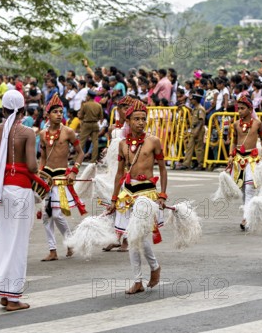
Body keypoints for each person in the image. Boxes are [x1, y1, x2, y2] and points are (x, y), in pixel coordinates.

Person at [0, 90, 38, 311]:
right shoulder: (28, 133)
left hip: (0, 192)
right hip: (21, 190)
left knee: (4, 239)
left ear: (2, 110)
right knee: (18, 242)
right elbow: (32, 166)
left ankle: (3, 292)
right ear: (23, 110)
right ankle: (12, 298)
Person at [107, 101, 167, 295]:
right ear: (128, 120)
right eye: (137, 119)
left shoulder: (154, 141)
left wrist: (162, 195)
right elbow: (118, 174)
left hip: (147, 195)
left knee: (140, 237)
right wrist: (114, 199)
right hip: (128, 194)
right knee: (131, 237)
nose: (141, 123)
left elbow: (163, 170)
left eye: (143, 119)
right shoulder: (122, 145)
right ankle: (138, 280)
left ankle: (154, 268)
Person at [38, 94, 86, 262]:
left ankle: (69, 241)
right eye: (55, 112)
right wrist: (39, 174)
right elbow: (42, 157)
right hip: (47, 178)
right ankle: (52, 250)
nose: (59, 114)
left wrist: (74, 171)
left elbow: (81, 153)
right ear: (48, 114)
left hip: (61, 178)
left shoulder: (69, 132)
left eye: (61, 111)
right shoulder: (43, 134)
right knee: (46, 215)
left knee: (57, 214)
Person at [229, 96, 262, 231]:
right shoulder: (235, 124)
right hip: (239, 159)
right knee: (243, 189)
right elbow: (233, 141)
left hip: (252, 159)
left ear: (250, 109)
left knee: (250, 187)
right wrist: (230, 155)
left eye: (242, 108)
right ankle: (249, 213)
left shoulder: (257, 123)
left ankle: (246, 218)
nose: (239, 111)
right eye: (238, 108)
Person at [180, 94, 206, 171]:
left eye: (192, 99)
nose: (191, 101)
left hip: (199, 130)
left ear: (195, 100)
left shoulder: (201, 109)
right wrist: (185, 106)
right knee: (189, 147)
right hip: (194, 129)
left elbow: (201, 121)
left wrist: (196, 131)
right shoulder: (196, 109)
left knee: (198, 148)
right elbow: (192, 110)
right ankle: (186, 164)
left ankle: (200, 164)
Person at [78, 90, 103, 162]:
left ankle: (77, 159)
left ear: (88, 96)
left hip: (86, 124)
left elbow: (80, 116)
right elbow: (101, 117)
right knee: (95, 142)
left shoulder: (85, 105)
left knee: (82, 141)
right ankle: (93, 160)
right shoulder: (99, 105)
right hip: (95, 124)